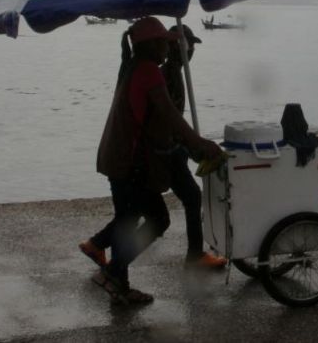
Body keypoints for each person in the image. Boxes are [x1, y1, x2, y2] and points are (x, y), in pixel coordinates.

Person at [80, 17, 223, 306]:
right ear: (149, 45)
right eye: (163, 42)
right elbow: (170, 118)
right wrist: (202, 144)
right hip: (126, 163)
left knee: (129, 219)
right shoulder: (149, 72)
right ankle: (114, 274)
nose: (167, 48)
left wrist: (192, 146)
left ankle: (114, 275)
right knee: (154, 218)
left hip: (117, 158)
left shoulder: (137, 67)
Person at [161, 24, 227, 268]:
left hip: (172, 148)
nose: (193, 52)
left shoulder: (173, 72)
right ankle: (195, 255)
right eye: (191, 47)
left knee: (185, 199)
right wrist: (193, 145)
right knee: (190, 198)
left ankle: (100, 244)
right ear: (180, 48)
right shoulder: (170, 74)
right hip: (166, 151)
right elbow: (171, 120)